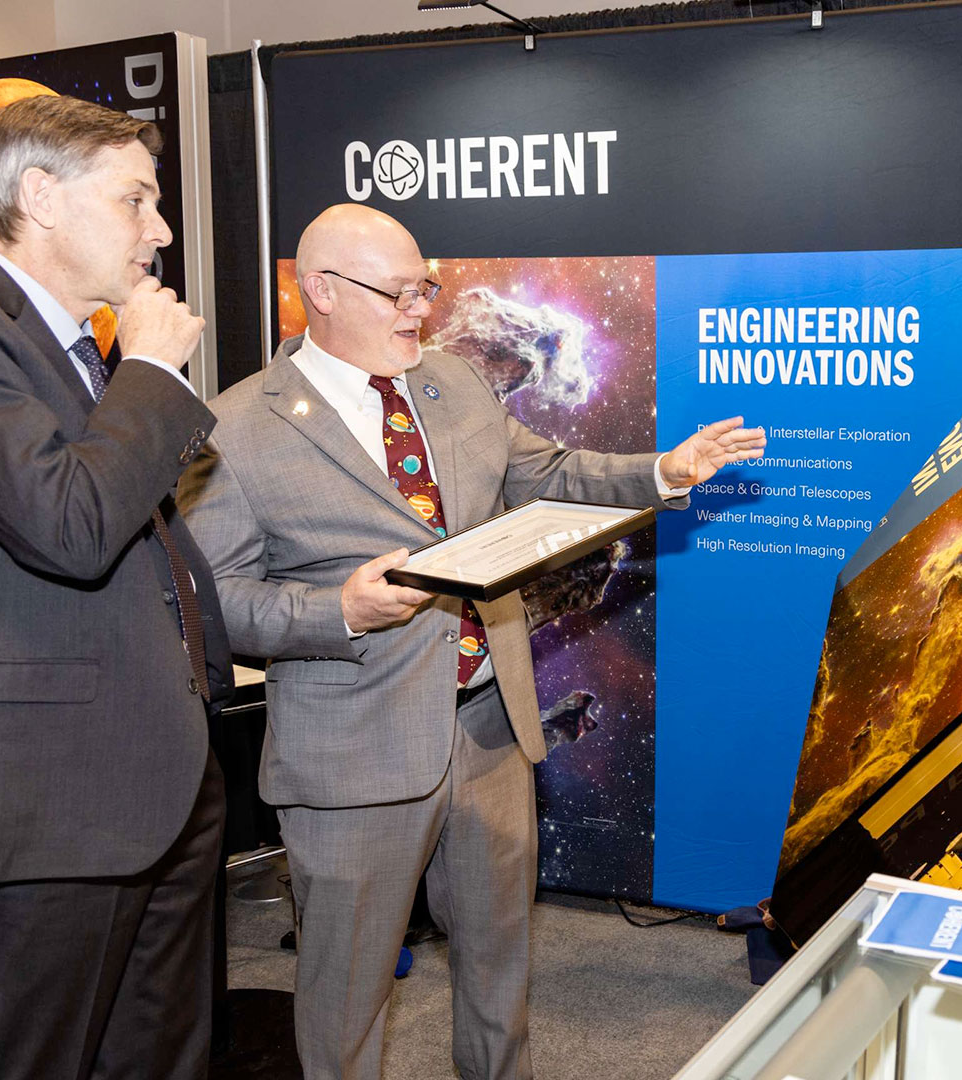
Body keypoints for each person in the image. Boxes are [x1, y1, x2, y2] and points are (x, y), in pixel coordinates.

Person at [177, 203, 765, 1080]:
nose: (421, 310)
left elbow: (552, 473)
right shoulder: (236, 430)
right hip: (354, 755)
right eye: (399, 293)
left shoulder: (452, 382)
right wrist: (335, 609)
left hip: (489, 729)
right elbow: (210, 605)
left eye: (426, 287)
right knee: (346, 999)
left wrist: (661, 473)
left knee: (498, 968)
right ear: (322, 291)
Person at [0, 94, 231, 1079]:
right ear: (41, 196)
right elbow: (71, 526)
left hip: (157, 778)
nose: (162, 229)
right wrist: (151, 368)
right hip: (41, 799)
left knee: (157, 1058)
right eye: (137, 200)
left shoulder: (81, 348)